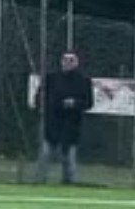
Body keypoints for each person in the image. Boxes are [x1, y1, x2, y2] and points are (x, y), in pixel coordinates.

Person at [34, 50, 94, 184]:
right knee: (45, 153)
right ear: (61, 62)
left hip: (71, 124)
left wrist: (74, 103)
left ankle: (68, 182)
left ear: (77, 63)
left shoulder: (83, 81)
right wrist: (46, 106)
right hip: (52, 123)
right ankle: (39, 181)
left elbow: (88, 103)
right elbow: (40, 97)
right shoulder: (51, 78)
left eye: (71, 60)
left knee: (69, 157)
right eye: (65, 60)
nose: (68, 63)